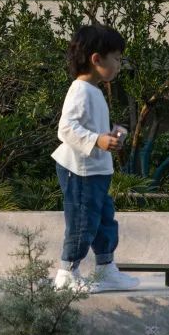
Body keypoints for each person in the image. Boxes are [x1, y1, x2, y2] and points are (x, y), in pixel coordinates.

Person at [51, 24, 140, 293]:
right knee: (82, 220)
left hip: (96, 169)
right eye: (116, 58)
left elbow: (87, 130)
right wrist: (97, 140)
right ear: (96, 59)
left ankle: (104, 269)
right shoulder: (80, 90)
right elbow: (65, 128)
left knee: (104, 219)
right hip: (79, 170)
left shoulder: (95, 91)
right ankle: (67, 273)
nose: (119, 65)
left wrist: (108, 137)